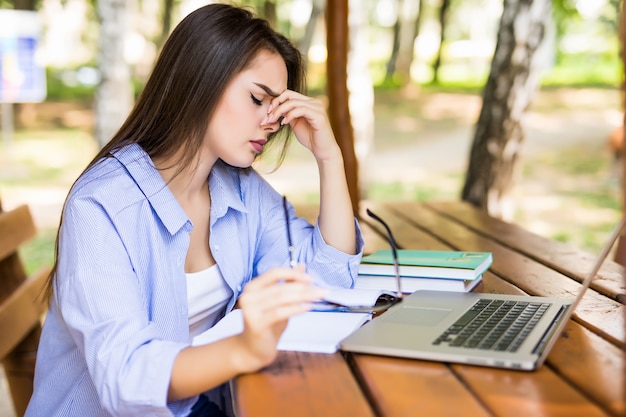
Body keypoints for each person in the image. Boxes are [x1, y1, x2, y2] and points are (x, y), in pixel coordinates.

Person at [26, 4, 363, 417]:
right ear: (203, 78)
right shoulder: (101, 206)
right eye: (258, 98)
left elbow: (326, 276)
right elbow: (126, 377)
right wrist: (242, 349)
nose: (272, 122)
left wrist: (329, 158)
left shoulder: (240, 189)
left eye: (277, 107)